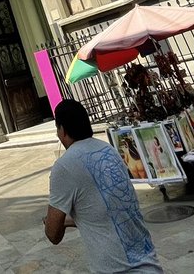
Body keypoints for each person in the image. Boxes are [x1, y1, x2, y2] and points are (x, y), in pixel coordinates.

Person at [44, 99, 163, 274]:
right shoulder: (109, 151)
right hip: (149, 264)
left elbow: (53, 235)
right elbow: (111, 210)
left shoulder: (65, 165)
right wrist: (71, 221)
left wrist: (52, 222)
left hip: (116, 269)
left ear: (62, 130)